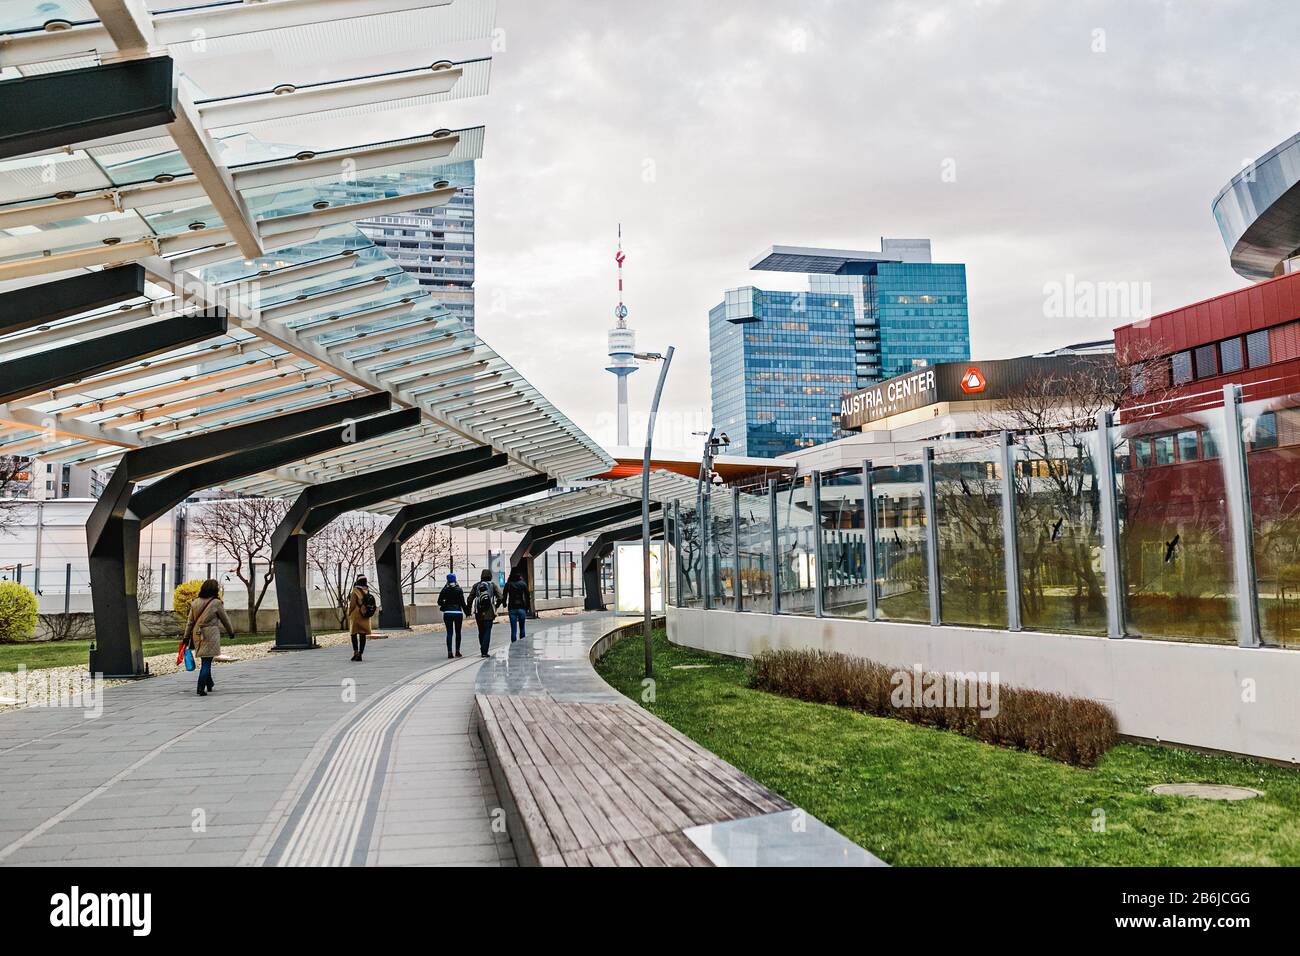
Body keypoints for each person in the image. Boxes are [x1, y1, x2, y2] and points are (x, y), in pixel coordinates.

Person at [184, 579, 235, 698]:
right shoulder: (216, 603)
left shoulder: (195, 602)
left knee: (205, 659)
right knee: (207, 661)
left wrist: (186, 637)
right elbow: (225, 619)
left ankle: (210, 683)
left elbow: (190, 622)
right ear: (214, 589)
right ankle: (200, 687)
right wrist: (231, 632)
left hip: (197, 633)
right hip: (210, 634)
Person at [468, 568, 502, 658]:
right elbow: (500, 597)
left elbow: (470, 598)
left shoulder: (476, 586)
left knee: (481, 631)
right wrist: (496, 606)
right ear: (490, 576)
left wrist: (468, 610)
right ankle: (484, 651)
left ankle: (482, 648)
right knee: (487, 631)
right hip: (489, 612)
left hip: (478, 612)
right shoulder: (493, 585)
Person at [346, 575, 376, 662]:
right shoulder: (366, 590)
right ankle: (360, 653)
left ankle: (355, 652)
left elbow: (352, 604)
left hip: (356, 615)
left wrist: (349, 613)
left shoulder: (355, 591)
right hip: (365, 615)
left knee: (353, 634)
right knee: (362, 635)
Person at [437, 572, 467, 659]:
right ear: (455, 579)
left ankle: (449, 652)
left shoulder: (445, 590)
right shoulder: (459, 590)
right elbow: (462, 603)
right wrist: (467, 612)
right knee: (458, 632)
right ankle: (457, 651)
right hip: (458, 613)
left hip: (447, 613)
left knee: (449, 632)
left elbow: (439, 602)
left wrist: (445, 604)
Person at [504, 569, 530, 642]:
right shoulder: (523, 584)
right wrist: (527, 607)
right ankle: (522, 643)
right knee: (522, 628)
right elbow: (528, 596)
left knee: (513, 630)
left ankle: (514, 645)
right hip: (522, 608)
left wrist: (504, 603)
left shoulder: (508, 584)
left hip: (512, 608)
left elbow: (504, 595)